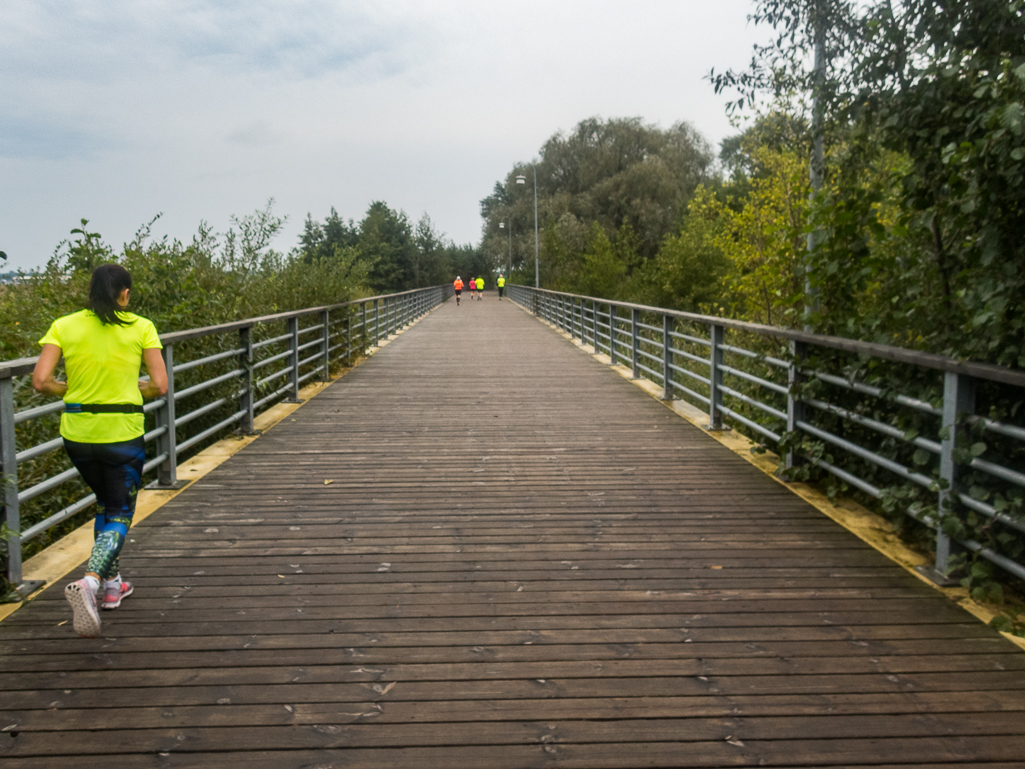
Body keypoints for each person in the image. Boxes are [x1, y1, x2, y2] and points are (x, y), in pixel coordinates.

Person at [32, 264, 167, 638]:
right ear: (124, 293)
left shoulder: (64, 325)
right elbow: (160, 385)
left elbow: (41, 381)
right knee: (122, 510)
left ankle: (113, 586)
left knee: (104, 503)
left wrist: (74, 390)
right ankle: (91, 583)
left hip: (77, 432)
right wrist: (126, 388)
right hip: (121, 432)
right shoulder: (140, 327)